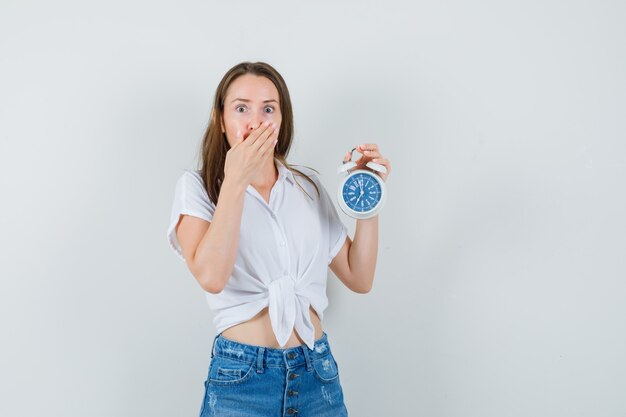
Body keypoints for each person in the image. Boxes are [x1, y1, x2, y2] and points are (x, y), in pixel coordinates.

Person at [166, 61, 391, 416]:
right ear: (220, 119)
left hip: (317, 375)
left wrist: (368, 197)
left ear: (281, 120)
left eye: (268, 109)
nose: (255, 121)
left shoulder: (306, 187)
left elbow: (359, 277)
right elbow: (211, 276)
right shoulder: (197, 189)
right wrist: (236, 181)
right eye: (241, 108)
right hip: (242, 382)